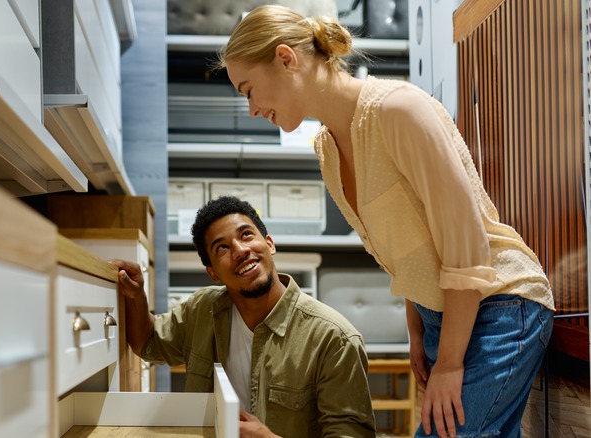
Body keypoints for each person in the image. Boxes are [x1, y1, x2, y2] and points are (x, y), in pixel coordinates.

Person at [214, 5, 555, 438]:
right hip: (444, 316)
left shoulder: (399, 110)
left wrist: (449, 361)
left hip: (500, 305)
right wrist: (418, 331)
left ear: (285, 59)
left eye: (248, 90)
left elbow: (466, 246)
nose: (251, 109)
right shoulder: (327, 149)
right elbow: (408, 245)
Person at [111, 195, 376, 438]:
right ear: (213, 273)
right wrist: (137, 296)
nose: (240, 250)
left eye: (246, 235)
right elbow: (149, 342)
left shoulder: (335, 338)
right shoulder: (202, 310)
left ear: (269, 244)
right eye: (222, 248)